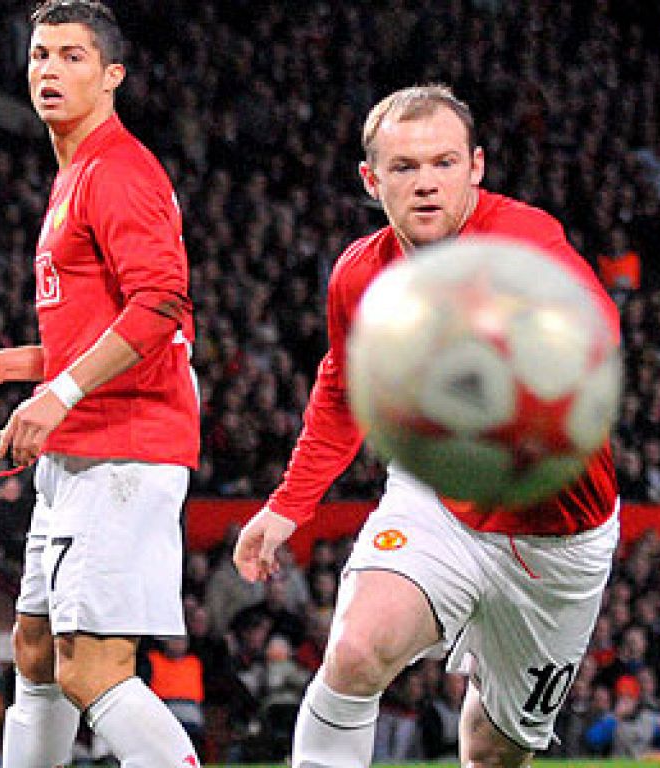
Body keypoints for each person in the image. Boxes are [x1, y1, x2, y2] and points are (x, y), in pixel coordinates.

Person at [231, 84, 620, 768]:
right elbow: (343, 390)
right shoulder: (359, 275)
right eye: (404, 168)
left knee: (492, 749)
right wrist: (288, 505)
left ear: (476, 167)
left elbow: (597, 331)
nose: (425, 184)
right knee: (354, 652)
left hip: (558, 544)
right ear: (371, 179)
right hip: (437, 496)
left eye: (442, 163)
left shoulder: (524, 240)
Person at [0, 2, 201, 765]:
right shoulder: (74, 176)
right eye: (41, 54)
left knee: (90, 667)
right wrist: (7, 364)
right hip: (80, 453)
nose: (49, 69)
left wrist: (61, 394)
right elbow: (95, 333)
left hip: (125, 452)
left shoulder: (119, 171)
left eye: (73, 56)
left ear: (112, 76)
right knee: (36, 651)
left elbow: (162, 307)